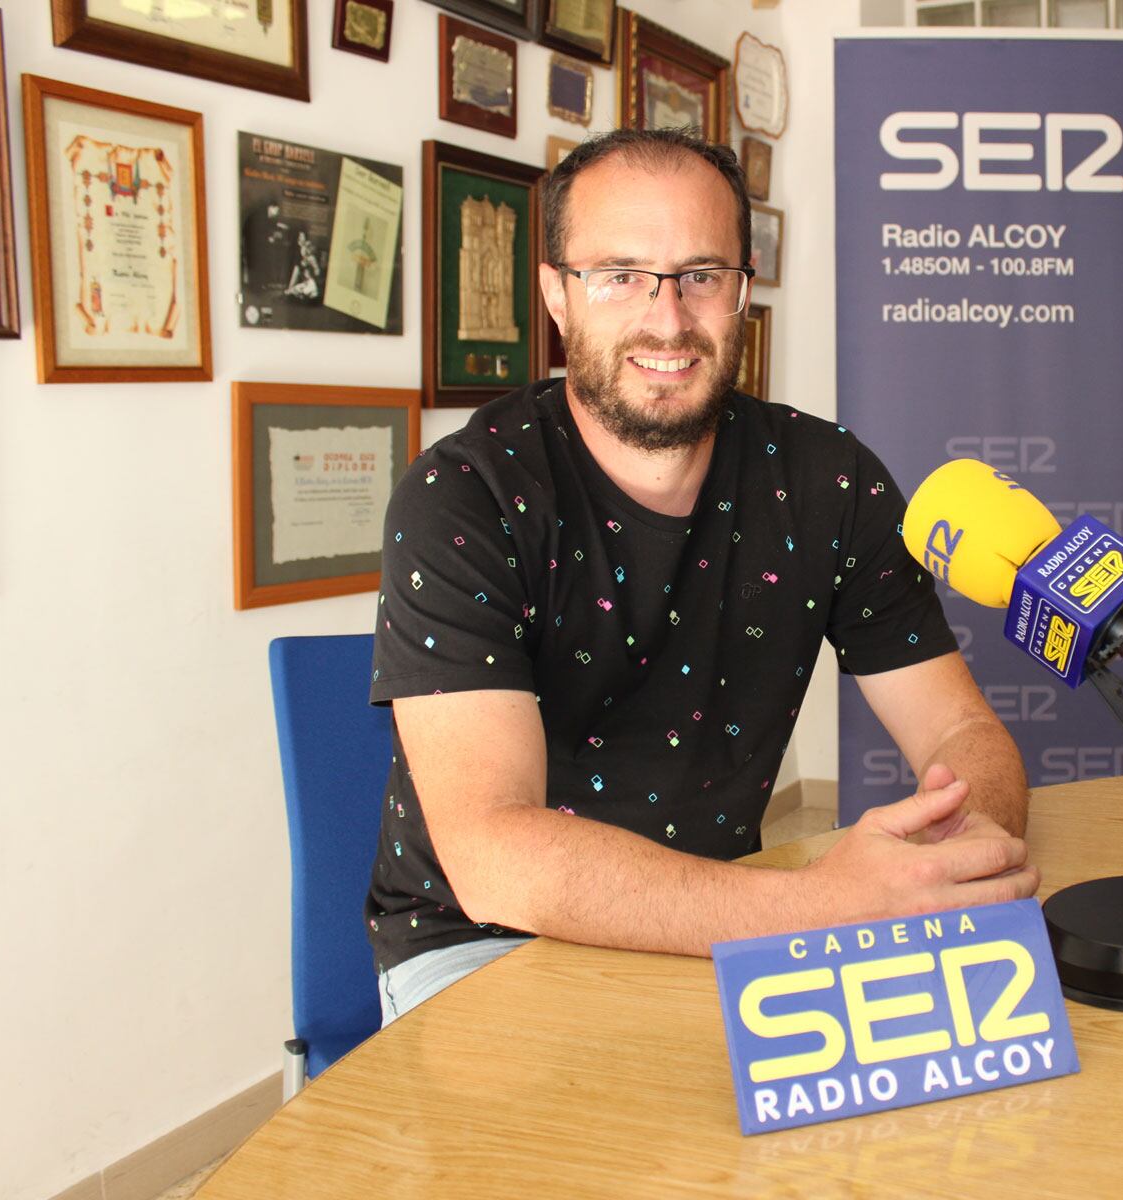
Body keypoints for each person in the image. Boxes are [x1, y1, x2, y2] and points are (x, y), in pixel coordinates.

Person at [367, 128, 1036, 1023]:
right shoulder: (465, 497)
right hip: (483, 948)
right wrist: (825, 903)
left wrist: (961, 848)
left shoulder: (829, 481)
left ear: (743, 295)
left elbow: (959, 727)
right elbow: (496, 860)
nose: (669, 319)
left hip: (722, 917)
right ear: (557, 296)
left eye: (701, 275)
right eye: (619, 275)